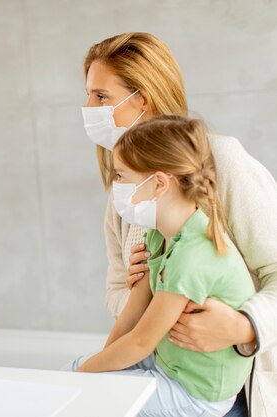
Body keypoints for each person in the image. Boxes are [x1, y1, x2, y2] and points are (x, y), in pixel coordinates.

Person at [81, 32, 277, 417]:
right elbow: (117, 288)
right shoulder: (125, 192)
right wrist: (146, 290)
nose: (87, 108)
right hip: (168, 372)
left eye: (100, 96)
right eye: (87, 94)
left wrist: (244, 327)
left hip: (232, 395)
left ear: (143, 97)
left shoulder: (223, 162)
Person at [72, 116, 255, 416]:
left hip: (197, 392)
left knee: (89, 398)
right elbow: (131, 318)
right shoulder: (160, 234)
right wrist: (87, 373)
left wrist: (84, 382)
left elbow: (142, 341)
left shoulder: (194, 255)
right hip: (170, 365)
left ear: (158, 183)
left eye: (121, 176)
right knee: (75, 373)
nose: (115, 186)